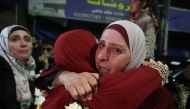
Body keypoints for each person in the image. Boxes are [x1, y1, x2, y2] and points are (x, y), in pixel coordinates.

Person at [35, 20, 173, 109]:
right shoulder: (73, 85)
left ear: (135, 55)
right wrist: (63, 76)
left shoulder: (157, 97)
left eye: (116, 49)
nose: (101, 56)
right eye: (101, 45)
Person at [0, 25, 36, 109]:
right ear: (4, 43)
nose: (24, 44)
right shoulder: (2, 69)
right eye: (15, 39)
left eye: (27, 39)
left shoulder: (30, 68)